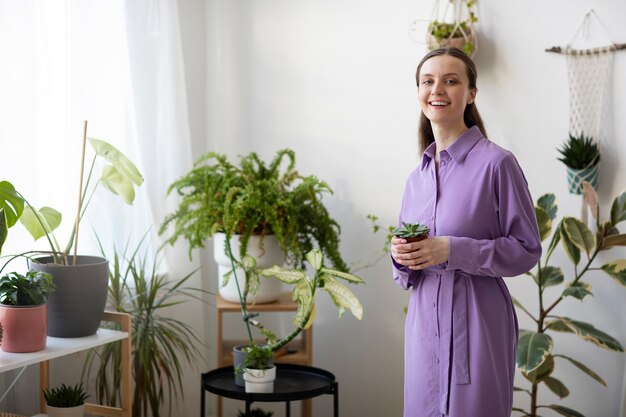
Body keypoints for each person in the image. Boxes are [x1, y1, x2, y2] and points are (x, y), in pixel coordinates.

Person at [390, 47, 542, 417]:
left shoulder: (497, 164)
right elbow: (403, 273)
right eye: (428, 81)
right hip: (425, 325)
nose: (437, 89)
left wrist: (452, 250)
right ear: (419, 93)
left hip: (478, 323)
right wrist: (402, 258)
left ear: (471, 94)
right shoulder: (417, 178)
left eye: (450, 80)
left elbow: (527, 248)